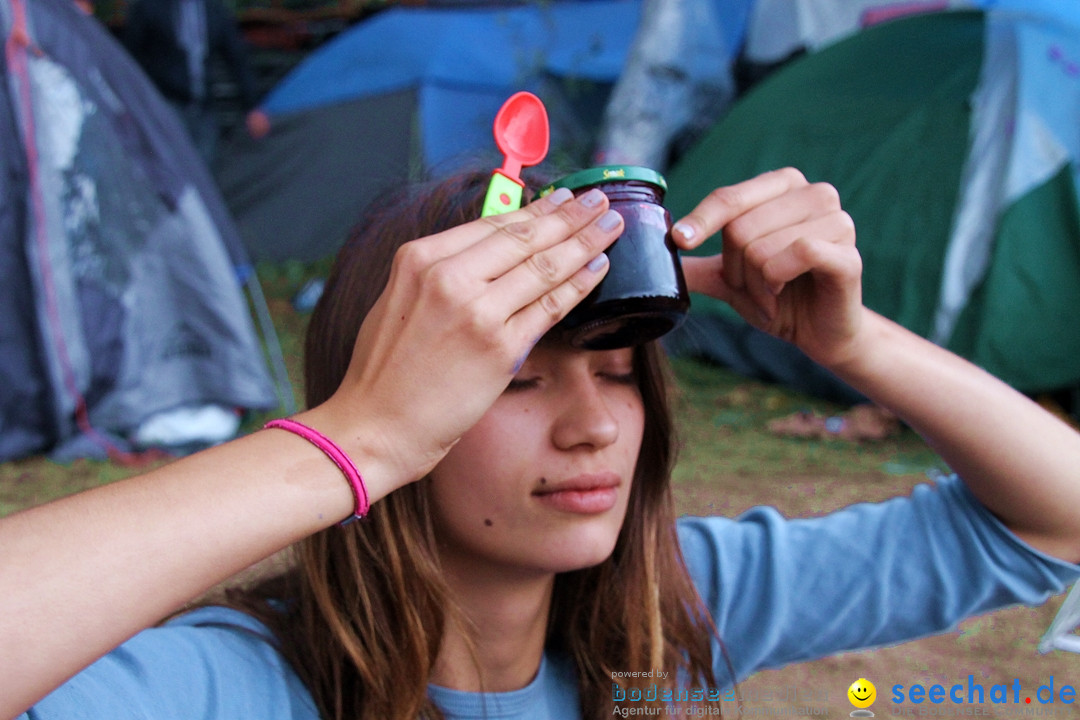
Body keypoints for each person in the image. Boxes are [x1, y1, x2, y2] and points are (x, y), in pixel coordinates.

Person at [4, 167, 1080, 720]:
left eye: (619, 372)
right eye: (516, 379)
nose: (594, 424)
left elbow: (1055, 521)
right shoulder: (239, 685)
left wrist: (848, 340)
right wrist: (356, 443)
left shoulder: (673, 608)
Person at [122, 0, 269, 166]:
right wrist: (129, 102)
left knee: (205, 168)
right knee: (171, 166)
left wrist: (252, 107)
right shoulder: (151, 7)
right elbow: (130, 58)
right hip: (166, 103)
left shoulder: (212, 9)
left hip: (203, 106)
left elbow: (236, 57)